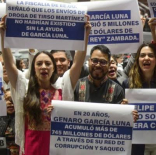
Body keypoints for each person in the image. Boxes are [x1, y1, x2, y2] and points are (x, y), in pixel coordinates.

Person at [0, 14, 91, 155]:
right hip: (32, 148)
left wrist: (84, 36)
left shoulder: (63, 85)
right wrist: (3, 35)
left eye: (48, 63)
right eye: (39, 63)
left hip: (57, 149)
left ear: (53, 68)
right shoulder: (23, 87)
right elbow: (9, 63)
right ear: (33, 67)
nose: (44, 66)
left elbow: (78, 62)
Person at [122, 42, 156, 155]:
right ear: (137, 60)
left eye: (151, 55)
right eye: (142, 55)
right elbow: (123, 117)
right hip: (138, 142)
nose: (146, 58)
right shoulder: (127, 84)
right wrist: (123, 110)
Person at [0, 89, 19, 155]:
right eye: (7, 100)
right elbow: (1, 132)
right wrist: (3, 111)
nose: (10, 103)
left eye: (12, 100)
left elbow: (17, 133)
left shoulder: (21, 115)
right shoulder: (1, 114)